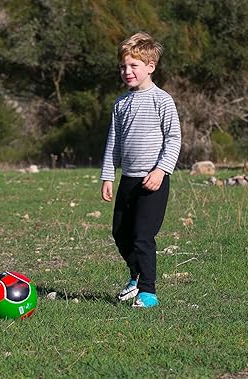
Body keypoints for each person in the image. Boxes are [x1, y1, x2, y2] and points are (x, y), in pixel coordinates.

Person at [100, 32, 181, 308]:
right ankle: (136, 275)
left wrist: (161, 171)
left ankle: (148, 292)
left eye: (134, 65)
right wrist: (108, 175)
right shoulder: (121, 104)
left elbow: (173, 139)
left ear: (150, 66)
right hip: (128, 180)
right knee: (120, 233)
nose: (127, 71)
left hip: (153, 181)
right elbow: (113, 141)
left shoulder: (162, 100)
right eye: (123, 66)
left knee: (143, 236)